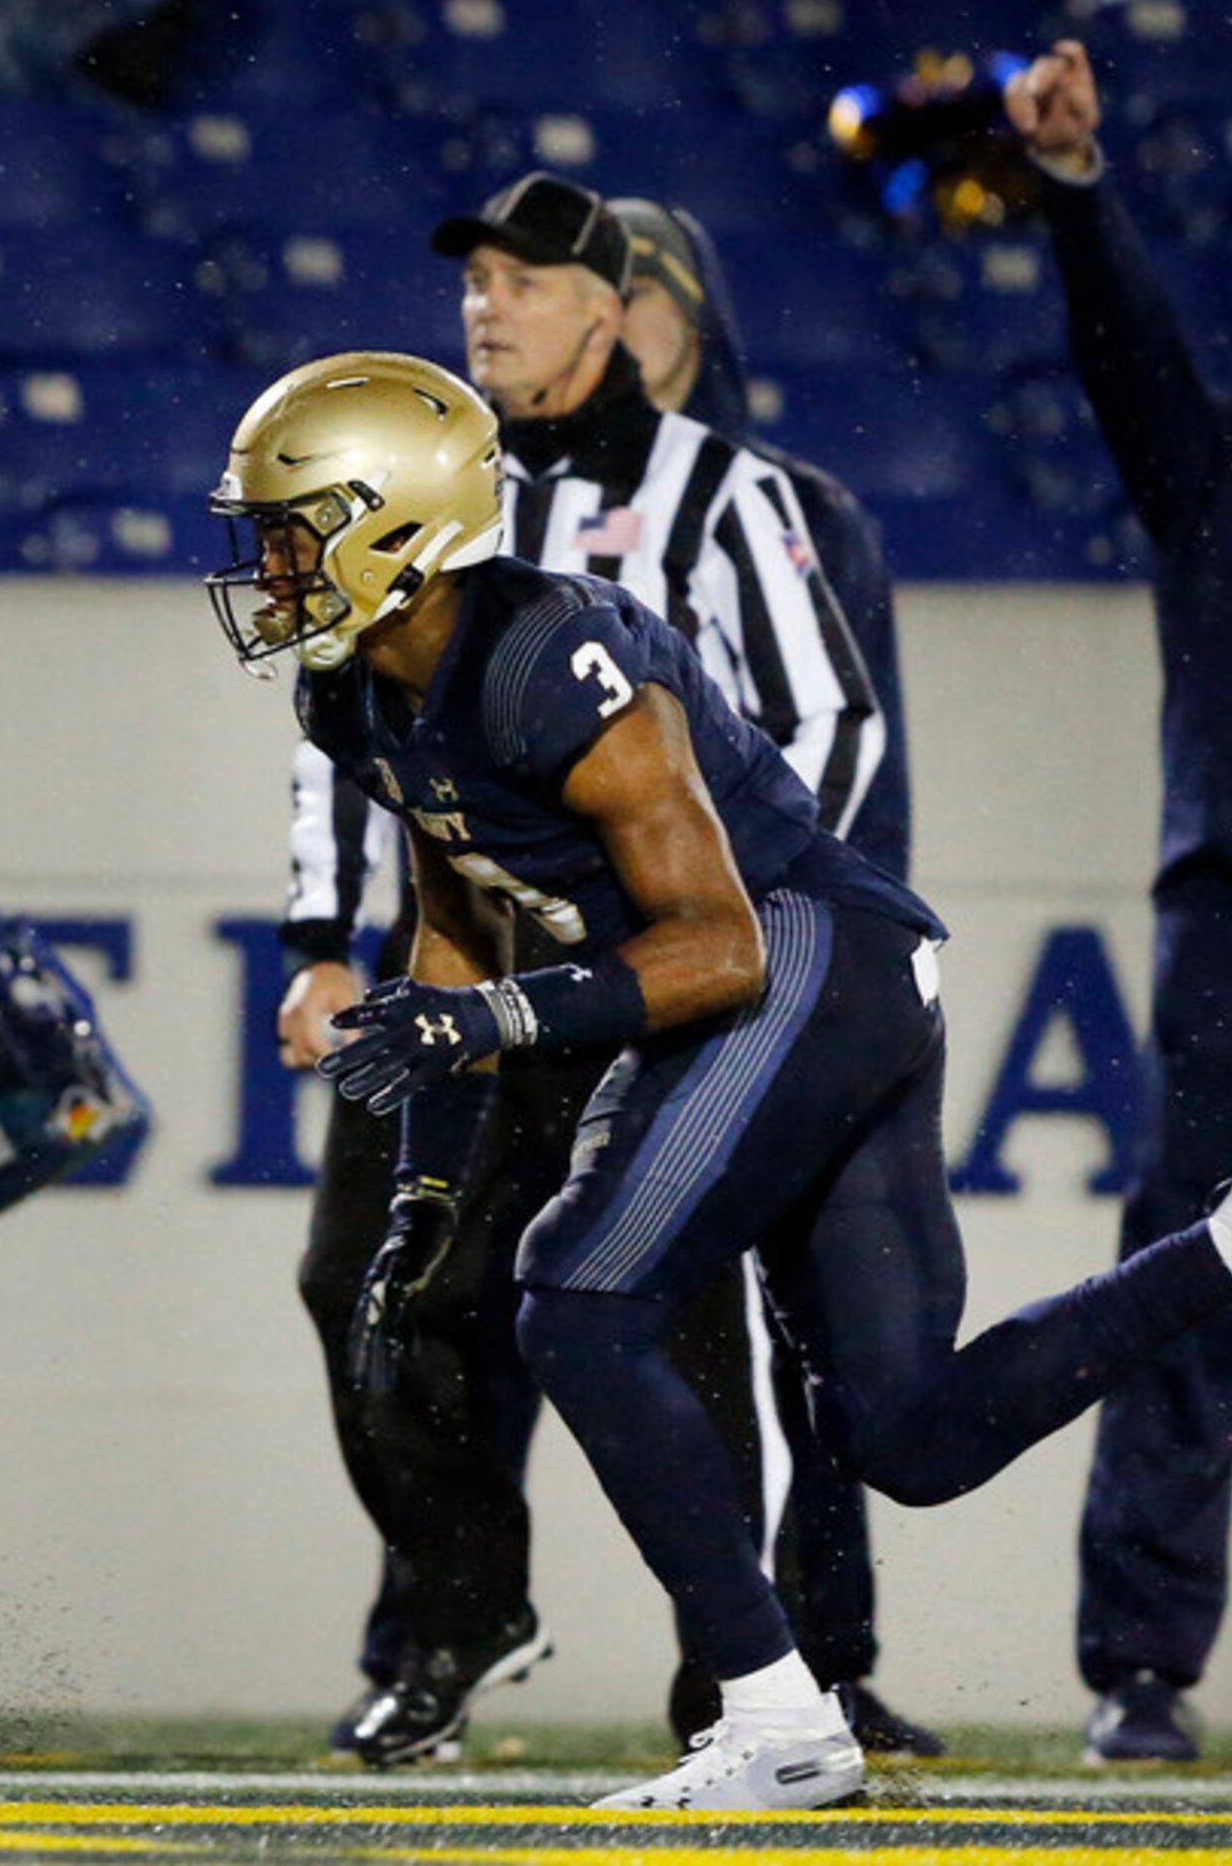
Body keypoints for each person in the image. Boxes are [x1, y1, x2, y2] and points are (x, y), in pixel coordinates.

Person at [214, 348, 1232, 1810]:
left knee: (575, 1296)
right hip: (815, 981)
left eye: (287, 527)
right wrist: (429, 1186)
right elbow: (457, 910)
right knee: (910, 1435)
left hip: (807, 955)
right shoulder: (355, 693)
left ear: (394, 527)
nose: (264, 563)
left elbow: (721, 947)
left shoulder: (551, 656)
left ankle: (773, 1714)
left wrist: (494, 1023)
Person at [277, 170, 883, 1769]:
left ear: (610, 314)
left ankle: (739, 1685)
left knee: (679, 1325)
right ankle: (456, 1609)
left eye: (525, 281)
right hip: (467, 960)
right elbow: (380, 768)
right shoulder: (388, 499)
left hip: (674, 972)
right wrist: (312, 945)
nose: (488, 303)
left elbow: (830, 725)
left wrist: (752, 939)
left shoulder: (724, 494)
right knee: (377, 1284)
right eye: (474, 278)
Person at [1004, 37, 1232, 1765]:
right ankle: (1140, 1668)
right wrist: (1074, 197)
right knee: (1180, 1308)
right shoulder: (1217, 475)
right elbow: (1122, 353)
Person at [605, 194, 937, 1758]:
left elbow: (859, 752)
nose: (612, 327)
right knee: (610, 1316)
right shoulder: (510, 502)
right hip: (632, 975)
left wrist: (814, 959)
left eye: (638, 296)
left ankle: (832, 1653)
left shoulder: (782, 503)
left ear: (689, 320)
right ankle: (738, 1675)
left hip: (787, 960)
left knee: (830, 1338)